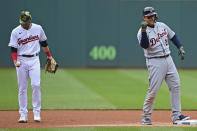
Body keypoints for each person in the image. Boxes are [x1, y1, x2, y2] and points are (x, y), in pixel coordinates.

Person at [137, 7, 189, 125]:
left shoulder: (161, 25)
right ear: (144, 18)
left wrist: (180, 46)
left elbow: (173, 36)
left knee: (175, 85)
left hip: (168, 59)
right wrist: (144, 30)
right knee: (153, 90)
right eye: (149, 16)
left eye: (153, 15)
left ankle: (177, 116)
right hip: (154, 61)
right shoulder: (141, 32)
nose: (152, 18)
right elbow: (145, 45)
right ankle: (146, 116)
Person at [8, 11, 54, 123]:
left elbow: (44, 43)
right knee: (22, 88)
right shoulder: (15, 31)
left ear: (30, 20)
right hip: (21, 60)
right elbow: (13, 48)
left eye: (26, 22)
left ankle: (36, 112)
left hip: (34, 59)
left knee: (36, 84)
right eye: (22, 22)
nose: (24, 24)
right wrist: (15, 61)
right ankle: (23, 114)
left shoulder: (38, 28)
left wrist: (50, 56)